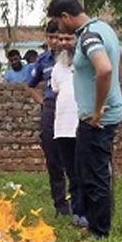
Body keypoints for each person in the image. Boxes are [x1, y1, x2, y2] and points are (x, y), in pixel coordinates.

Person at [47, 0, 122, 240]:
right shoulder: (103, 28)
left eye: (58, 24)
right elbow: (120, 60)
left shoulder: (89, 35)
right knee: (88, 169)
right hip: (100, 114)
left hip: (97, 118)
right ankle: (95, 224)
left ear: (65, 17)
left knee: (94, 174)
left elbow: (105, 68)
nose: (59, 30)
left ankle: (99, 232)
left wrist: (98, 107)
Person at [26, 20, 71, 217]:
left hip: (71, 109)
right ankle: (60, 205)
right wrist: (43, 102)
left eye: (58, 37)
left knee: (72, 156)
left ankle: (78, 201)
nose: (55, 41)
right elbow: (29, 85)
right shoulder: (43, 61)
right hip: (51, 109)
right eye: (51, 37)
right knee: (53, 158)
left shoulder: (73, 57)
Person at [47, 27, 84, 228]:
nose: (63, 42)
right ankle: (78, 214)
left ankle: (90, 213)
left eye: (68, 38)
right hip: (61, 128)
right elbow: (56, 94)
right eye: (60, 38)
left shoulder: (86, 64)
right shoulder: (57, 68)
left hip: (82, 126)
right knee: (71, 173)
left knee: (84, 171)